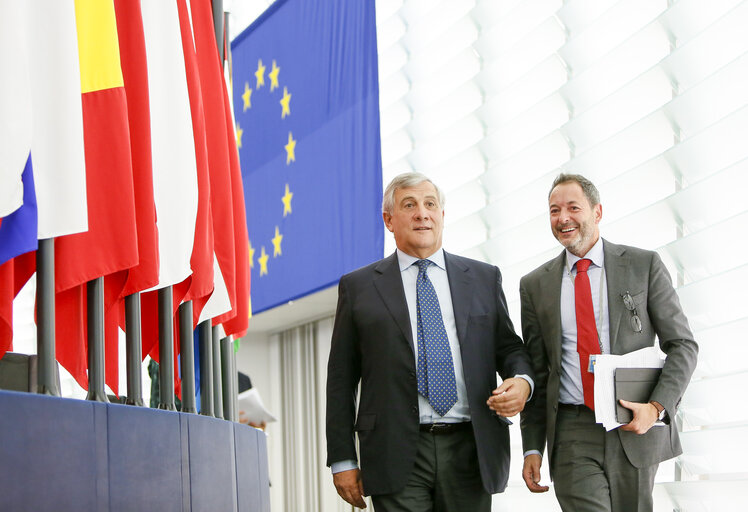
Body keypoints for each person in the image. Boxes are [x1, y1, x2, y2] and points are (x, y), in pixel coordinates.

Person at [326, 172, 534, 511]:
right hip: (395, 451)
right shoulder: (359, 287)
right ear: (389, 220)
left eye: (430, 204)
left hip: (472, 447)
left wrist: (522, 382)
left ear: (441, 215)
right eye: (409, 205)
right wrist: (342, 458)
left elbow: (509, 347)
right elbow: (340, 380)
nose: (422, 213)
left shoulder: (483, 278)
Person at [509, 173, 698, 511]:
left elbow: (682, 344)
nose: (563, 217)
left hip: (633, 421)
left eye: (572, 207)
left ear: (597, 212)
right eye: (554, 210)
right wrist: (532, 447)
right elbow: (538, 371)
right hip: (571, 430)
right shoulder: (535, 285)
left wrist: (656, 407)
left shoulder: (643, 265)